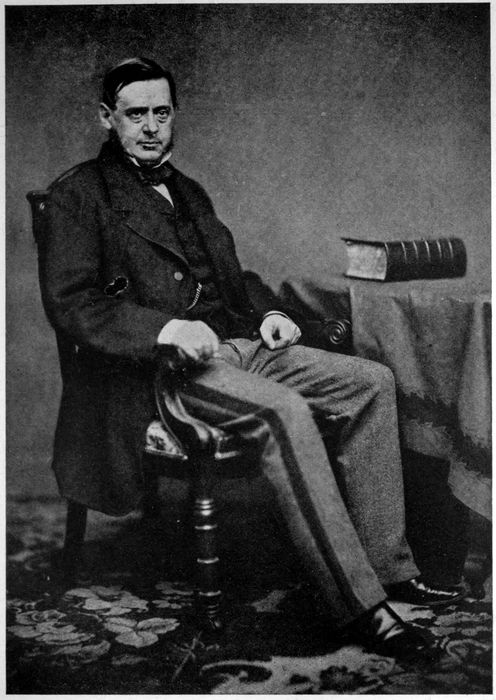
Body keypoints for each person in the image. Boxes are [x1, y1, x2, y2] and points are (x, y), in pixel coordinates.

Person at [39, 57, 462, 662]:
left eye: (162, 112)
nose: (152, 127)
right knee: (283, 411)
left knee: (371, 382)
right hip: (162, 371)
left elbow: (234, 280)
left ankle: (386, 568)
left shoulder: (189, 191)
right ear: (107, 118)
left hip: (240, 348)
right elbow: (72, 303)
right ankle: (359, 606)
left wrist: (268, 314)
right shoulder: (78, 195)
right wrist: (166, 329)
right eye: (136, 114)